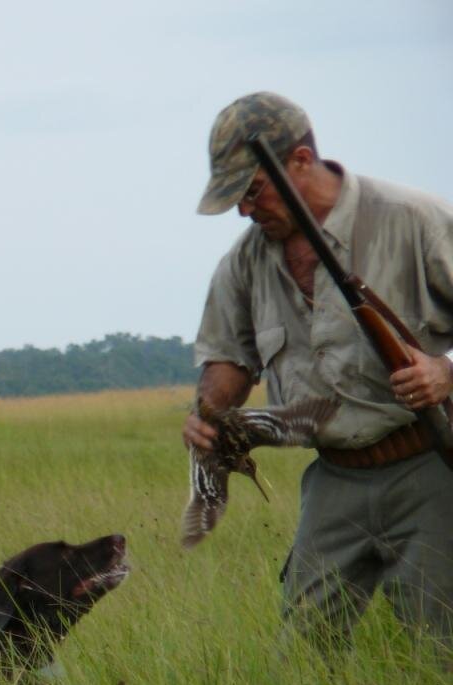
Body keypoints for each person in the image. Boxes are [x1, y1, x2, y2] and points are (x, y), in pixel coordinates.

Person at [183, 91, 453, 649]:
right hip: (333, 479)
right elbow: (229, 361)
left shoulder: (413, 218)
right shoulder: (245, 260)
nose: (244, 210)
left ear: (302, 161)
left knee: (440, 648)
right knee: (303, 652)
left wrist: (443, 373)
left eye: (252, 190)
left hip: (428, 463)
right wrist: (209, 415)